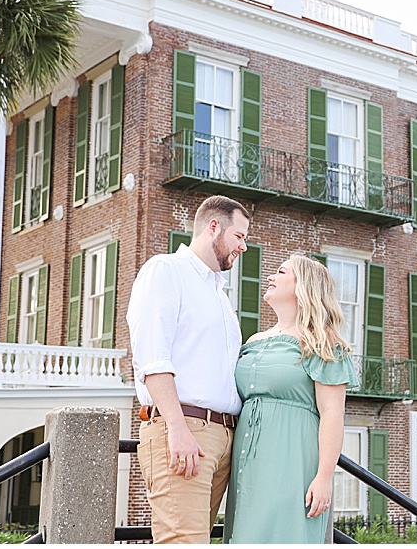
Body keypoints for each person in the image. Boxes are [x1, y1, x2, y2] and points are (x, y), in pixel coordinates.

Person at [127, 195, 251, 543]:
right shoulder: (165, 271)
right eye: (239, 236)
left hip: (222, 437)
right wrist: (176, 428)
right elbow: (153, 358)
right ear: (214, 227)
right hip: (185, 429)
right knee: (184, 542)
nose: (243, 246)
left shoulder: (218, 293)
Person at [224, 254, 359, 544]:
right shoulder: (254, 341)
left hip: (292, 459)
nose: (270, 277)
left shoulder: (323, 343)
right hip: (248, 460)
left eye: (281, 271)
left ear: (303, 287)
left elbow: (333, 414)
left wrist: (324, 477)